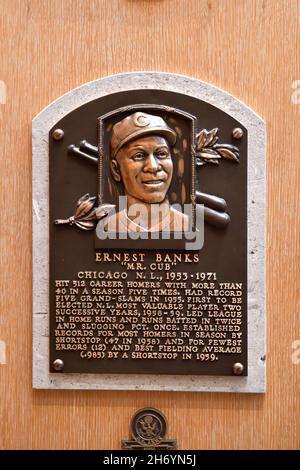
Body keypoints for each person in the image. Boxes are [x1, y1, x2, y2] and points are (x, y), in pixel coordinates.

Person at [102, 111, 189, 234]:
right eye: (139, 155)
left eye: (161, 154)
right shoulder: (109, 227)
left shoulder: (186, 224)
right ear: (116, 170)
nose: (153, 167)